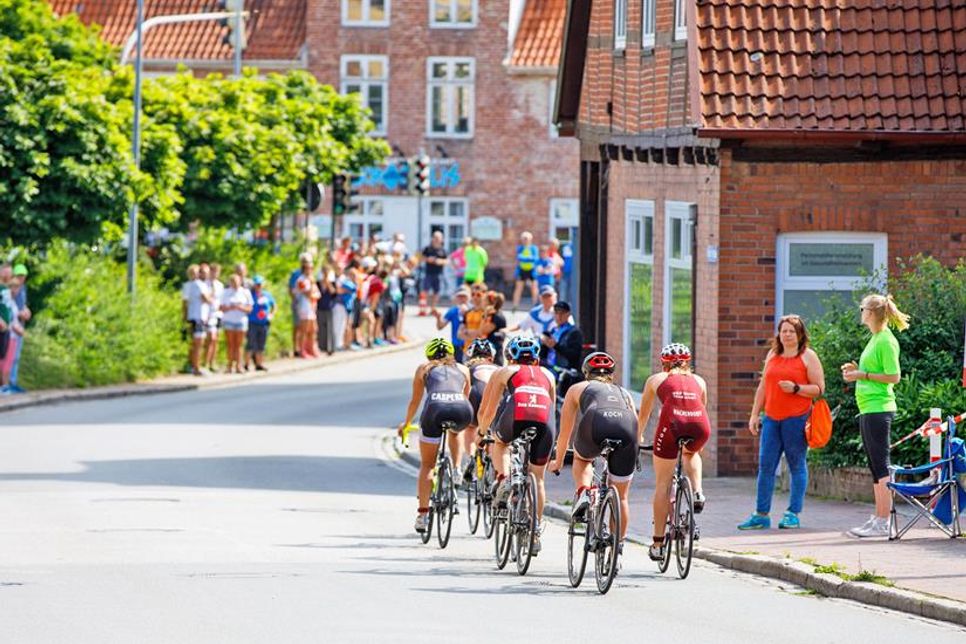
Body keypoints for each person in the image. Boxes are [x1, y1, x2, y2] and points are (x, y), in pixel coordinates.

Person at [739, 315, 826, 530]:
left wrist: (796, 388)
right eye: (783, 331)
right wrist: (754, 414)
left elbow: (819, 389)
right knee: (765, 466)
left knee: (796, 465)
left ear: (800, 334)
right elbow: (763, 387)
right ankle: (761, 514)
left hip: (796, 419)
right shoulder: (772, 354)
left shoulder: (808, 357)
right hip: (771, 419)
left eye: (791, 331)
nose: (787, 335)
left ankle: (792, 513)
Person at [477, 334, 557, 554]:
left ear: (510, 357)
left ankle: (503, 479)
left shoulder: (504, 371)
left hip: (516, 415)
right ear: (537, 358)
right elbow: (551, 406)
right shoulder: (549, 374)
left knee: (500, 442)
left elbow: (488, 409)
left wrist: (482, 432)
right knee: (538, 479)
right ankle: (535, 530)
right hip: (545, 423)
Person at [550, 352, 638, 544]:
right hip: (627, 430)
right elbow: (636, 425)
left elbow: (565, 432)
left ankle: (584, 492)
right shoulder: (624, 393)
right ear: (611, 374)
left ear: (586, 372)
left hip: (596, 423)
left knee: (582, 458)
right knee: (622, 497)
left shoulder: (577, 388)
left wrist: (558, 461)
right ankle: (617, 547)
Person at [843, 294, 910, 538]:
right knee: (874, 467)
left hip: (879, 408)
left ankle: (885, 521)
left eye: (862, 309)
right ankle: (878, 517)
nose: (861, 312)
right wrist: (856, 372)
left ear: (870, 312)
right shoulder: (875, 339)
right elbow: (873, 371)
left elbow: (894, 376)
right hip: (868, 408)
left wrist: (863, 376)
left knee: (881, 465)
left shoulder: (885, 341)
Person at [637, 343, 711, 562]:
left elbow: (645, 415)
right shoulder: (700, 381)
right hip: (699, 426)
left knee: (663, 484)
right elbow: (700, 409)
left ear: (664, 364)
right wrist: (700, 443)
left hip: (672, 425)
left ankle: (658, 544)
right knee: (691, 453)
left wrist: (638, 437)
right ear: (688, 363)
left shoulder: (656, 379)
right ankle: (697, 491)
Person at [399, 338, 473, 533]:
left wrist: (406, 424)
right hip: (462, 410)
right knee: (455, 430)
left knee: (427, 465)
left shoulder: (424, 368)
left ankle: (423, 515)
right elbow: (466, 395)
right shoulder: (464, 369)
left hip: (434, 410)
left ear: (429, 355)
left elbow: (415, 402)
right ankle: (456, 469)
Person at [465, 338, 500, 480]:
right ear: (491, 357)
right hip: (496, 399)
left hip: (475, 395)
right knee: (494, 435)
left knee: (470, 427)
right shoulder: (499, 368)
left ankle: (472, 457)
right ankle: (493, 459)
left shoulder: (467, 367)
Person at [182, 264, 213, 376]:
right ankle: (196, 367)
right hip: (198, 317)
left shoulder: (194, 285)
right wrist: (211, 297)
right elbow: (207, 299)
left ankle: (194, 365)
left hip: (197, 317)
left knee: (197, 343)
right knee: (198, 343)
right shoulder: (199, 285)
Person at [220, 273, 254, 374]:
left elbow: (250, 308)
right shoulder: (225, 292)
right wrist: (231, 307)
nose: (235, 284)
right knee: (230, 344)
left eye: (237, 281)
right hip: (229, 320)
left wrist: (240, 307)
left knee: (239, 344)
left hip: (241, 321)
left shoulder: (245, 292)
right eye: (233, 282)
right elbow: (221, 307)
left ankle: (239, 365)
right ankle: (230, 365)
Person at [6, 264, 30, 393]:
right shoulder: (12, 288)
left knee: (16, 356)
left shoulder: (23, 288)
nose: (22, 279)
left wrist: (26, 311)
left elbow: (23, 305)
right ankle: (8, 383)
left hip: (20, 326)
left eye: (23, 276)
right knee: (9, 357)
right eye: (19, 276)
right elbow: (10, 307)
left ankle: (13, 381)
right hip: (12, 327)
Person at [245, 275, 275, 371]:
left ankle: (259, 363)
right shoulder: (250, 294)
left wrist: (271, 314)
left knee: (261, 344)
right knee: (250, 343)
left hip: (264, 322)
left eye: (260, 284)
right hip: (252, 321)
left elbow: (273, 305)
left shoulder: (267, 295)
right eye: (257, 284)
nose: (258, 286)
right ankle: (246, 364)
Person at [541, 301, 582, 371]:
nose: (559, 316)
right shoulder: (552, 331)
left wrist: (556, 346)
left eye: (562, 313)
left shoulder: (574, 332)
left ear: (568, 314)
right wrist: (544, 344)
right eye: (556, 313)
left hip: (565, 371)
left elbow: (574, 355)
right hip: (549, 368)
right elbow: (543, 355)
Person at [433, 286, 470, 362]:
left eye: (464, 296)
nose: (462, 299)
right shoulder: (453, 311)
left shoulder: (473, 311)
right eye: (459, 296)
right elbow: (440, 327)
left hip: (470, 344)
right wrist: (438, 318)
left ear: (469, 297)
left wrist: (466, 314)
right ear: (456, 298)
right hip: (456, 345)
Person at [290, 253, 315, 357]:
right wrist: (295, 300)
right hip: (299, 302)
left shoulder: (310, 275)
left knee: (308, 327)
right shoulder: (296, 274)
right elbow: (291, 288)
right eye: (304, 261)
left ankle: (306, 348)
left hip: (309, 304)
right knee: (297, 326)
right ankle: (296, 348)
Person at [419, 231, 448, 316]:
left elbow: (447, 261)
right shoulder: (427, 248)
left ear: (441, 239)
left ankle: (433, 308)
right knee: (425, 291)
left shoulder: (443, 250)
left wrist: (440, 261)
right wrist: (428, 259)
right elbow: (420, 257)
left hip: (439, 273)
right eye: (435, 237)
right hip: (428, 273)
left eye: (438, 238)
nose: (436, 239)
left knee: (437, 292)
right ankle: (423, 308)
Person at [204, 263, 225, 372]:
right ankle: (205, 362)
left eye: (217, 271)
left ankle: (213, 362)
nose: (215, 273)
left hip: (217, 314)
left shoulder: (220, 285)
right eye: (213, 271)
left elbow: (221, 300)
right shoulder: (205, 284)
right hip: (207, 314)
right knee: (209, 338)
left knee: (215, 339)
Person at [511, 232, 540, 311]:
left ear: (530, 239)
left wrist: (526, 258)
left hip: (532, 270)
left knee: (534, 288)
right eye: (524, 239)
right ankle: (515, 305)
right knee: (518, 288)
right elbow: (519, 257)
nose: (525, 240)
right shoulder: (520, 248)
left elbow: (535, 259)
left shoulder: (534, 248)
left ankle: (535, 305)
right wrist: (528, 258)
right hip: (522, 270)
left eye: (526, 239)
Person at [317, 263, 338, 355]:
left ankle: (330, 348)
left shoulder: (332, 282)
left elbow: (334, 293)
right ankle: (322, 347)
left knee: (330, 327)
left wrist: (328, 283)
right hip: (320, 306)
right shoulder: (318, 283)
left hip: (329, 306)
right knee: (321, 327)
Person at [557, 238, 575, 306]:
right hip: (565, 273)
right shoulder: (566, 248)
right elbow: (562, 261)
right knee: (563, 292)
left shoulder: (577, 248)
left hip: (573, 274)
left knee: (572, 292)